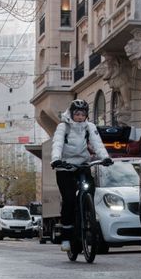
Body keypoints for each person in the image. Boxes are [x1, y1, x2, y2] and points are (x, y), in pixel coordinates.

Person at [51, 99, 110, 247]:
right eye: (77, 114)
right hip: (65, 167)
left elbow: (97, 143)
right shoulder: (63, 127)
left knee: (90, 190)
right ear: (71, 114)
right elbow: (57, 143)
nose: (80, 117)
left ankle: (88, 214)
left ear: (86, 115)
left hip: (82, 165)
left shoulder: (89, 127)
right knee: (69, 199)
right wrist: (56, 159)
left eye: (83, 114)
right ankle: (66, 237)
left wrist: (105, 157)